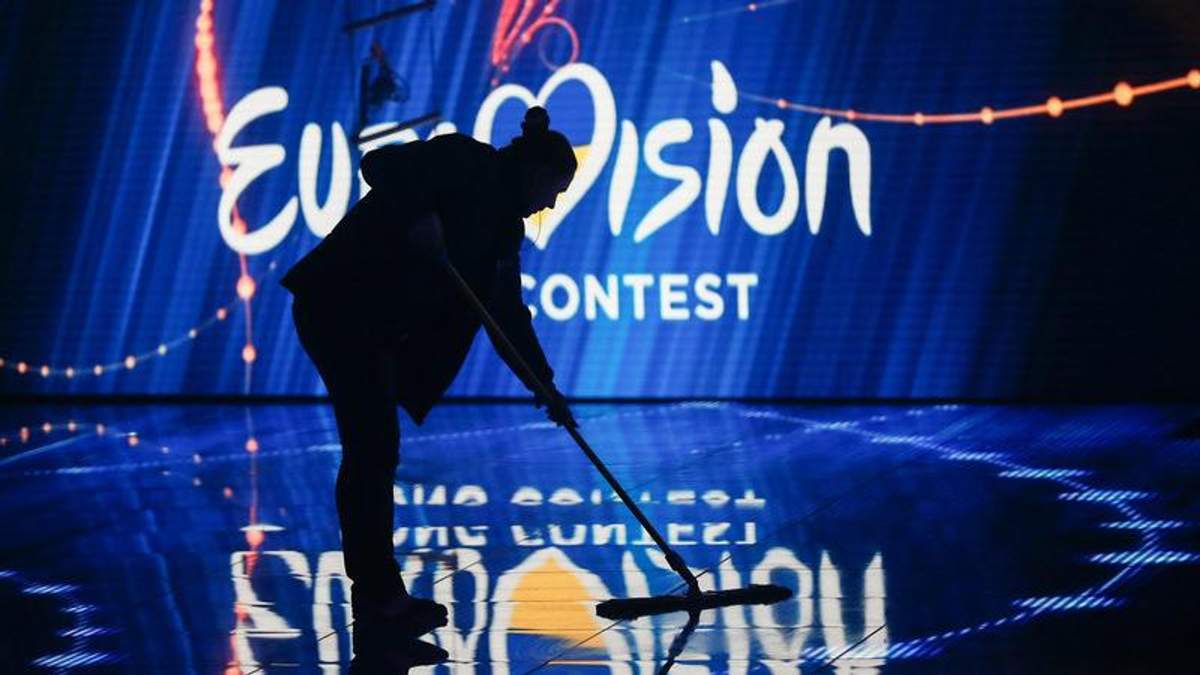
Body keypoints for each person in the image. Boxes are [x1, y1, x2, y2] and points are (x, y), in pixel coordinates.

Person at [281, 106, 577, 631]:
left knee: (375, 449)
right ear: (534, 171)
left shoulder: (505, 232)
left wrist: (544, 384)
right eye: (553, 190)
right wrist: (420, 214)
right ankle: (378, 597)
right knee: (373, 448)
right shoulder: (463, 159)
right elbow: (379, 163)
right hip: (337, 307)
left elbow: (507, 315)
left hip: (375, 326)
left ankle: (378, 594)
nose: (550, 203)